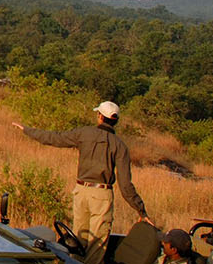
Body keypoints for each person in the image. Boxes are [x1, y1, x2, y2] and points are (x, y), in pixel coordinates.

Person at [12, 101, 149, 251]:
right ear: (116, 121)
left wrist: (27, 130)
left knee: (79, 237)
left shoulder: (84, 133)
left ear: (99, 116)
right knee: (98, 241)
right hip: (102, 194)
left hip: (81, 191)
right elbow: (125, 185)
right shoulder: (120, 146)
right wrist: (141, 211)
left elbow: (54, 138)